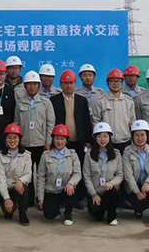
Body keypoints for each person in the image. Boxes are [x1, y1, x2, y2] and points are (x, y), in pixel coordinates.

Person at [50, 70, 92, 206]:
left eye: (71, 83)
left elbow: (86, 121)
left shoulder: (82, 100)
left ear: (75, 83)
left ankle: (78, 198)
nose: (69, 86)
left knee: (78, 170)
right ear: (61, 84)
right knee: (61, 170)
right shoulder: (54, 100)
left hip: (78, 141)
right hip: (61, 142)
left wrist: (88, 141)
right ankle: (61, 198)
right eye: (66, 83)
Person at [13, 70, 55, 205]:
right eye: (29, 84)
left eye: (35, 84)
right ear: (25, 86)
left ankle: (43, 198)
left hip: (41, 144)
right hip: (25, 144)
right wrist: (18, 143)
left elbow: (51, 123)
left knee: (43, 173)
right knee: (27, 173)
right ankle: (29, 199)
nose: (32, 87)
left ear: (39, 85)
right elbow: (16, 123)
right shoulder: (20, 103)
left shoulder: (46, 102)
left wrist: (48, 142)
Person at [36, 124, 82, 226]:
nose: (59, 141)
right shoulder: (45, 156)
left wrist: (71, 183)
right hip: (51, 190)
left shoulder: (72, 155)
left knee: (71, 190)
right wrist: (40, 198)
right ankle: (56, 209)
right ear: (53, 139)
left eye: (62, 139)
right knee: (49, 216)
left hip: (66, 189)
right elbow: (41, 177)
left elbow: (77, 173)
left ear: (66, 140)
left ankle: (68, 213)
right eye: (57, 138)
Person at [83, 122, 123, 225]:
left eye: (105, 136)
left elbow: (120, 174)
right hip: (96, 191)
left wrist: (112, 183)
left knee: (112, 193)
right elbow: (87, 177)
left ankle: (112, 216)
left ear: (109, 137)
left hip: (110, 190)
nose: (102, 139)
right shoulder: (89, 155)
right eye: (99, 136)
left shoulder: (116, 154)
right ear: (95, 138)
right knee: (96, 215)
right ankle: (101, 209)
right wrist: (94, 194)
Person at [122, 120, 149, 225]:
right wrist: (137, 192)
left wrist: (147, 182)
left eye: (142, 135)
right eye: (137, 135)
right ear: (132, 136)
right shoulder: (127, 151)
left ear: (147, 136)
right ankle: (138, 209)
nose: (140, 138)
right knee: (139, 203)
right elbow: (128, 175)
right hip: (135, 185)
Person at [0, 124, 32, 226]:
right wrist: (6, 198)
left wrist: (20, 181)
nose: (12, 141)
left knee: (24, 189)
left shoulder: (26, 155)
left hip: (18, 187)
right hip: (5, 188)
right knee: (8, 212)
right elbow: (1, 178)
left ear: (19, 139)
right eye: (9, 138)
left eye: (15, 137)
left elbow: (28, 174)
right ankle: (9, 207)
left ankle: (22, 213)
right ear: (5, 139)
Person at [92, 69, 136, 154]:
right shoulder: (100, 101)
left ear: (122, 83)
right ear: (107, 83)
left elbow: (132, 122)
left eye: (118, 81)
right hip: (107, 143)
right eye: (112, 81)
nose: (115, 84)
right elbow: (96, 121)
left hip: (125, 142)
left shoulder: (129, 101)